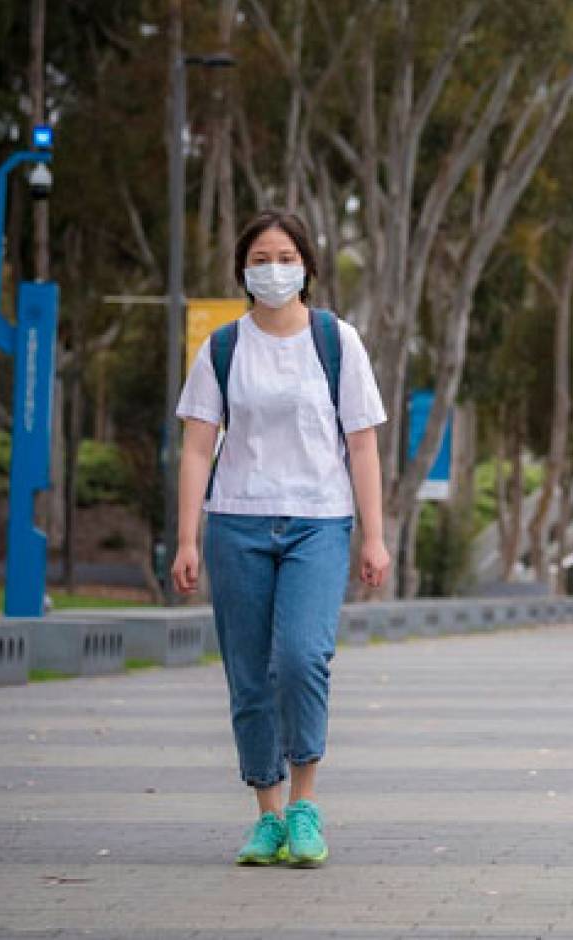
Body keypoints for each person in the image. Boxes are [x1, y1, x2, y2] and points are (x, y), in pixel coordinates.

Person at [171, 209, 391, 867]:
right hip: (235, 522)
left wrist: (374, 538)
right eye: (260, 258)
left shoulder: (336, 340)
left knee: (300, 656)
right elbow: (195, 448)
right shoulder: (222, 347)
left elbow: (363, 443)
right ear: (244, 269)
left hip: (318, 522)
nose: (273, 269)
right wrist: (186, 540)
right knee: (248, 675)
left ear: (307, 267)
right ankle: (267, 815)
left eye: (284, 257)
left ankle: (304, 804)